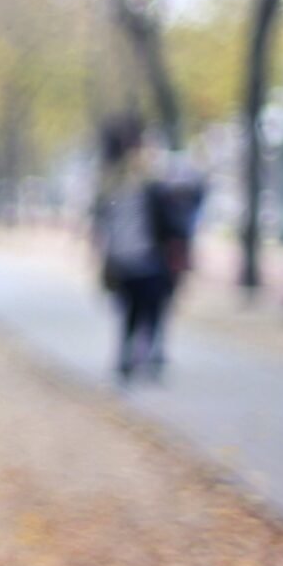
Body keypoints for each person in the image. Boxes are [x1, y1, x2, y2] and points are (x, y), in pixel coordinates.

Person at [91, 115, 188, 382]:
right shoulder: (123, 186)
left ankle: (139, 355)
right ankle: (136, 355)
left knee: (145, 309)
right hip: (134, 260)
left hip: (145, 259)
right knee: (140, 309)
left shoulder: (148, 186)